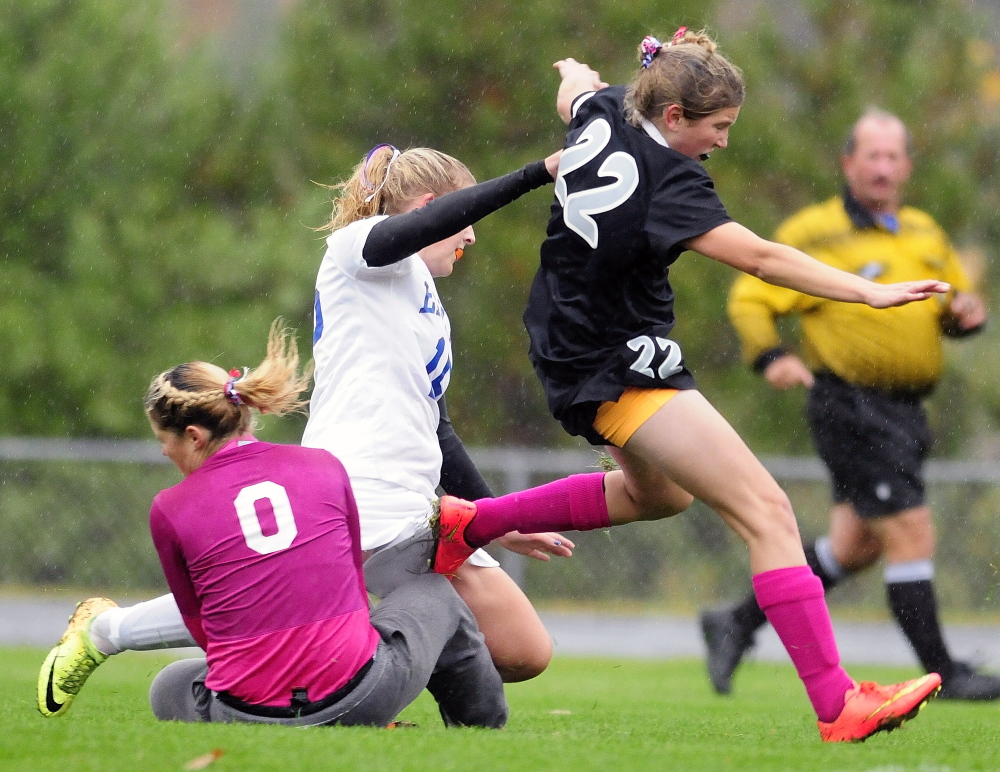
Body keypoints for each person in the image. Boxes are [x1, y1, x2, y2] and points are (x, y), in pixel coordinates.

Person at [38, 145, 611, 719]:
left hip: (415, 504)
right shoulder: (357, 250)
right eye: (464, 217)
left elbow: (435, 420)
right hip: (353, 489)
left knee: (521, 650)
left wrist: (495, 521)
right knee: (269, 607)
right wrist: (537, 173)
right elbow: (404, 233)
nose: (472, 237)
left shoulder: (422, 292)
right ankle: (109, 633)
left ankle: (352, 678)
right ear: (433, 208)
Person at [512, 29, 947, 743]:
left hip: (569, 344)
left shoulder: (605, 110)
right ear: (677, 117)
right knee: (767, 512)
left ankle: (470, 524)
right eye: (719, 128)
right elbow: (763, 258)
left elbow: (577, 90)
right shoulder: (670, 174)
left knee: (662, 496)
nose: (723, 143)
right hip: (617, 360)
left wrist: (570, 68)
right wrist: (865, 295)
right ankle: (837, 704)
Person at [700, 109, 1000, 702]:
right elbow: (751, 294)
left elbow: (946, 305)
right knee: (910, 530)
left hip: (908, 412)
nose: (884, 168)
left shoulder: (922, 232)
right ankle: (945, 673)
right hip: (850, 405)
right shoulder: (815, 230)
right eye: (872, 156)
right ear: (848, 163)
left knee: (855, 547)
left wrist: (964, 314)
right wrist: (770, 357)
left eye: (894, 157)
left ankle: (736, 620)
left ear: (907, 167)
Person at [68, 323, 507, 728]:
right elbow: (354, 588)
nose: (165, 453)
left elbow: (204, 630)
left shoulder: (168, 507)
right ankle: (479, 729)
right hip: (361, 696)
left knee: (168, 686)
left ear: (195, 437)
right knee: (432, 590)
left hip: (243, 713)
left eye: (165, 441)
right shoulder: (322, 465)